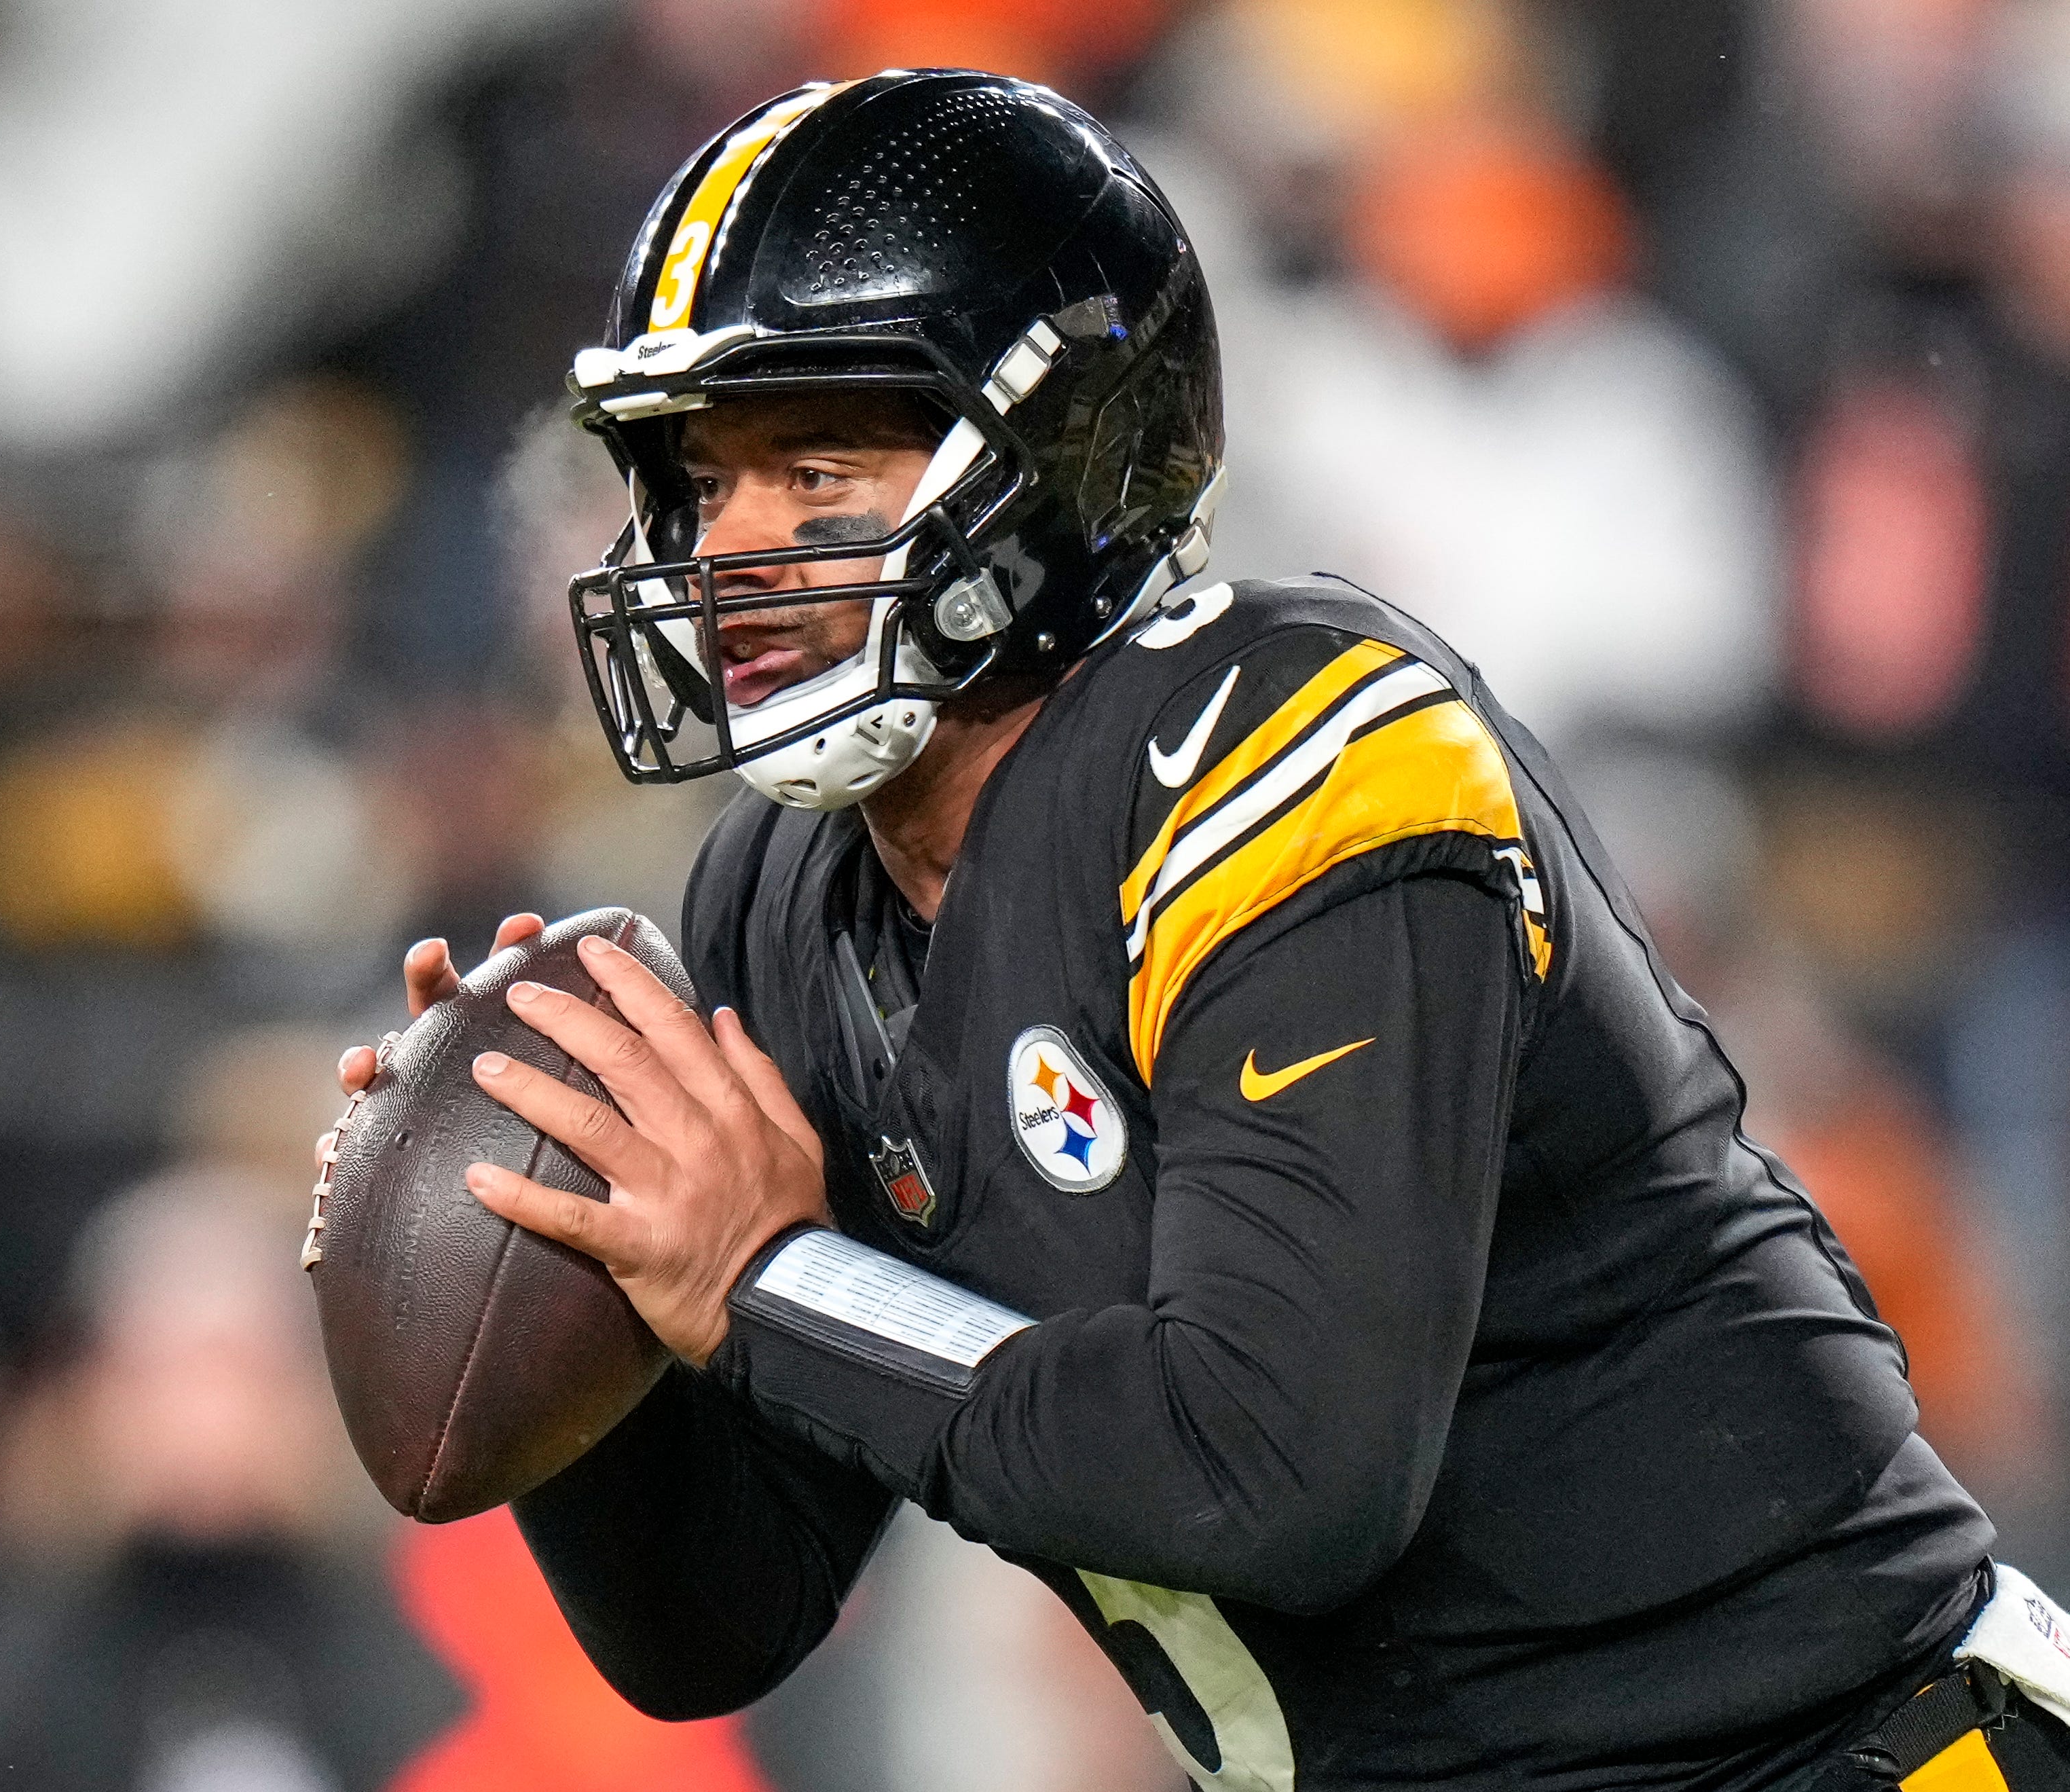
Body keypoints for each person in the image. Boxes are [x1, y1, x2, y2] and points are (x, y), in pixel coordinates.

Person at [327, 71, 2070, 1791]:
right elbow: (715, 1625)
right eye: (697, 483)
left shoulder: (1297, 762)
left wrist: (760, 1282)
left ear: (1047, 459)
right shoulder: (784, 897)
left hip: (1834, 1752)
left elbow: (1274, 1475)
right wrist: (570, 1254)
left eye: (814, 464)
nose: (730, 550)